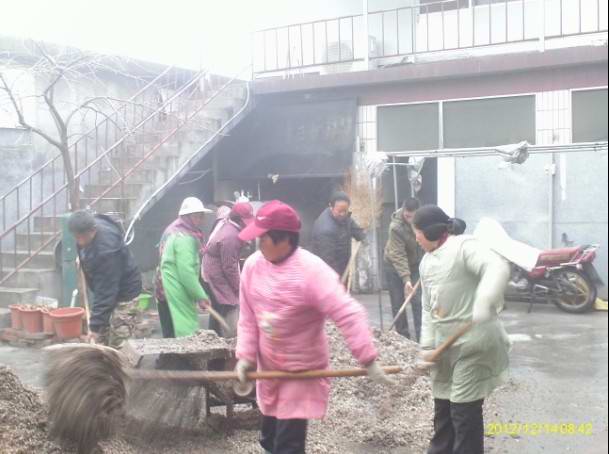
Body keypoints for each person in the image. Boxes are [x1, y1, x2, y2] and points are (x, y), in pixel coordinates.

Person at [234, 200, 394, 454]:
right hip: (269, 371)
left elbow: (347, 313)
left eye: (263, 238)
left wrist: (368, 358)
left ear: (284, 239)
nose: (257, 243)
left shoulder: (311, 271)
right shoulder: (253, 266)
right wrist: (245, 358)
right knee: (268, 440)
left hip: (300, 372)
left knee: (288, 445)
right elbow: (248, 318)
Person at [413, 205, 510, 454]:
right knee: (443, 409)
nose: (415, 238)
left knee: (463, 412)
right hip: (445, 349)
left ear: (430, 232)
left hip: (474, 343)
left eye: (417, 232)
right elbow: (427, 308)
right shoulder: (426, 262)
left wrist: (484, 299)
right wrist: (426, 347)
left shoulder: (464, 246)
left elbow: (496, 267)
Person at [68, 210, 142, 345]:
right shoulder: (90, 223)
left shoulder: (106, 251)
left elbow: (106, 292)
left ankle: (122, 363)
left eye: (82, 237)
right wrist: (83, 257)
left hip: (125, 293)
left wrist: (94, 327)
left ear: (93, 230)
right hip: (108, 288)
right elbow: (105, 293)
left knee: (120, 342)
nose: (80, 242)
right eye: (76, 237)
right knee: (103, 336)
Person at [156, 197, 212, 338]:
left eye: (201, 216)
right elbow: (186, 272)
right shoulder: (184, 237)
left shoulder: (175, 229)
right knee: (181, 332)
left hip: (165, 287)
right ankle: (178, 360)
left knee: (169, 332)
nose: (200, 219)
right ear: (186, 216)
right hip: (174, 288)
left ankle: (168, 359)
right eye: (196, 216)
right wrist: (200, 295)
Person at [202, 201, 254, 337]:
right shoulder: (230, 237)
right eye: (245, 221)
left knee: (218, 307)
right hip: (216, 273)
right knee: (228, 304)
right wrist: (239, 288)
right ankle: (226, 338)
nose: (246, 224)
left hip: (211, 268)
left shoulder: (227, 222)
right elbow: (229, 268)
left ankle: (214, 337)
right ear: (238, 219)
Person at [384, 197, 424, 341]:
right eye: (407, 216)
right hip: (393, 265)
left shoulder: (423, 220)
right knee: (398, 302)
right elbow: (398, 255)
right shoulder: (396, 227)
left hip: (414, 264)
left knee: (418, 301)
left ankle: (422, 338)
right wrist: (406, 279)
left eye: (413, 216)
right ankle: (404, 338)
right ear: (403, 210)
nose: (409, 219)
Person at [310, 191, 366, 278]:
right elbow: (327, 260)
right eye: (340, 211)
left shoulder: (342, 217)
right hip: (327, 273)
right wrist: (337, 279)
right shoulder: (325, 229)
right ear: (331, 207)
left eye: (345, 210)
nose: (343, 214)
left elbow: (351, 225)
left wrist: (361, 236)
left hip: (342, 266)